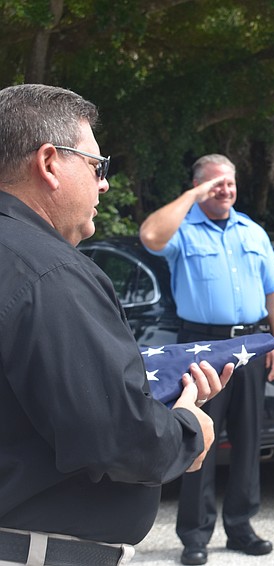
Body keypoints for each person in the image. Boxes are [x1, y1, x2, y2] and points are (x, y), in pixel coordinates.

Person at [0, 84, 232, 565]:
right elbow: (115, 436)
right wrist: (188, 429)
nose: (104, 183)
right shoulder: (50, 272)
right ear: (49, 163)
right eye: (96, 166)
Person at [139, 154, 274, 565]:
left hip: (251, 347)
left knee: (248, 440)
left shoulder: (253, 231)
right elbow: (150, 234)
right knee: (198, 436)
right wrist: (192, 196)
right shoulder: (184, 231)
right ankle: (194, 536)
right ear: (200, 187)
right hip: (203, 348)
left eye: (230, 183)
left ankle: (241, 526)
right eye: (215, 184)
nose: (225, 190)